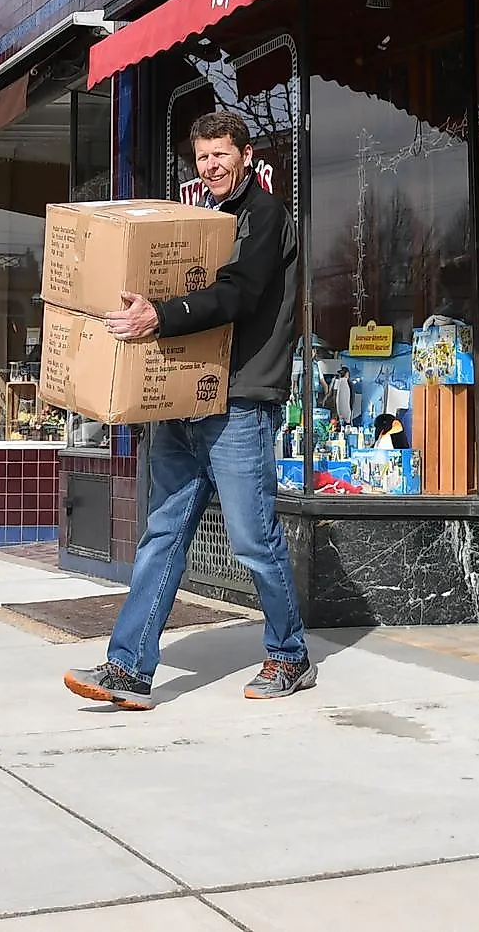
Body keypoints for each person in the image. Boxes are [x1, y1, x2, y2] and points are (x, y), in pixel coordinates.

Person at [64, 110, 312, 711]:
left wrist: (161, 316)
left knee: (253, 541)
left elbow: (237, 294)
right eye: (202, 157)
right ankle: (128, 668)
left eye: (221, 154)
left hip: (239, 403)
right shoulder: (199, 224)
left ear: (246, 155)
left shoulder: (263, 218)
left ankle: (289, 653)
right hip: (182, 400)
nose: (211, 166)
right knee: (162, 534)